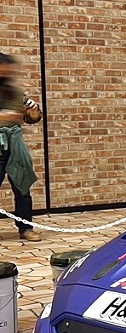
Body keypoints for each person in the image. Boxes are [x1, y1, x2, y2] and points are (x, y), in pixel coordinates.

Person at [0, 52, 43, 241]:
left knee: (22, 187)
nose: (5, 74)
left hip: (15, 144)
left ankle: (25, 228)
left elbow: (32, 118)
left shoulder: (17, 93)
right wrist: (5, 117)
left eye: (8, 71)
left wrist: (34, 112)